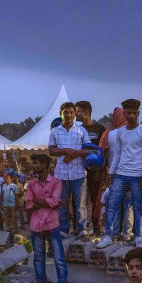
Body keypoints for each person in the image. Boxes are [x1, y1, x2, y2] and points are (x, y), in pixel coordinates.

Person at [97, 99, 142, 249]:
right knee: (112, 204)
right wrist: (111, 172)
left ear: (138, 113)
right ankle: (108, 235)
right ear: (124, 113)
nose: (131, 116)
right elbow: (117, 154)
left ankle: (138, 237)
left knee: (137, 207)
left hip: (137, 175)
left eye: (134, 113)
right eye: (128, 113)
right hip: (120, 173)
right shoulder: (120, 133)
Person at [26, 154, 68, 283]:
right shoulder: (31, 184)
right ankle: (40, 281)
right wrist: (49, 202)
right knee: (38, 256)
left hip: (52, 224)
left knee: (58, 256)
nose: (34, 166)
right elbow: (29, 204)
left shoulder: (57, 182)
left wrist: (41, 202)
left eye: (36, 163)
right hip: (36, 225)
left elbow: (55, 201)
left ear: (44, 165)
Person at [48, 102, 91, 239]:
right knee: (62, 204)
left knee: (80, 204)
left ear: (74, 114)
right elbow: (51, 150)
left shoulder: (81, 131)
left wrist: (75, 154)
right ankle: (64, 230)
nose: (68, 115)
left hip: (79, 172)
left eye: (71, 112)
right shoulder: (55, 131)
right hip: (61, 174)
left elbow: (88, 149)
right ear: (61, 113)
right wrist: (66, 150)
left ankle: (82, 229)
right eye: (65, 112)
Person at [76, 100, 107, 237]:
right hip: (80, 169)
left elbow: (103, 151)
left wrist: (100, 171)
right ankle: (81, 228)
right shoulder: (78, 129)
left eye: (78, 111)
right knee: (80, 200)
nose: (76, 114)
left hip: (95, 170)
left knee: (96, 200)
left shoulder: (100, 129)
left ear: (86, 112)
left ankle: (97, 227)